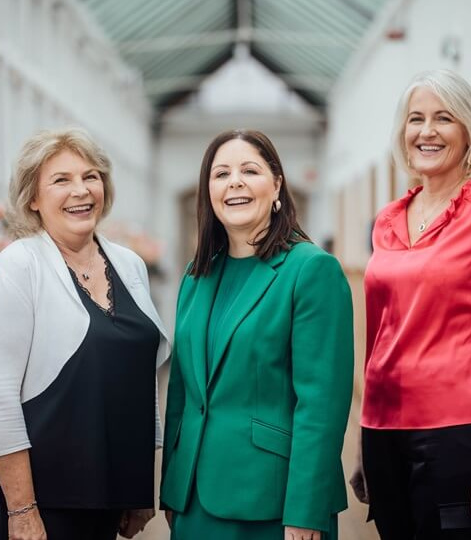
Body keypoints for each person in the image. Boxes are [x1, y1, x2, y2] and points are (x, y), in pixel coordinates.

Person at [349, 69, 471, 539]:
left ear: (469, 131)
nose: (427, 131)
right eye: (416, 119)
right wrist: (364, 438)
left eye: (444, 118)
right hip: (383, 430)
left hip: (456, 434)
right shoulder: (389, 219)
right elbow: (380, 337)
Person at [0, 127, 170, 540]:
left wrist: (138, 487)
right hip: (43, 500)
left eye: (90, 176)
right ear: (33, 197)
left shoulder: (129, 265)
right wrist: (22, 511)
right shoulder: (20, 266)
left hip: (107, 490)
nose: (80, 190)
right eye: (61, 180)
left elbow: (140, 382)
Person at [160, 129, 354, 540]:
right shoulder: (197, 277)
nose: (235, 182)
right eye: (221, 173)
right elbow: (182, 393)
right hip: (194, 500)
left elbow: (321, 405)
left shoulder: (311, 270)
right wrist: (172, 488)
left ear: (277, 184)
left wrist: (307, 508)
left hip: (273, 502)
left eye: (250, 170)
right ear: (208, 191)